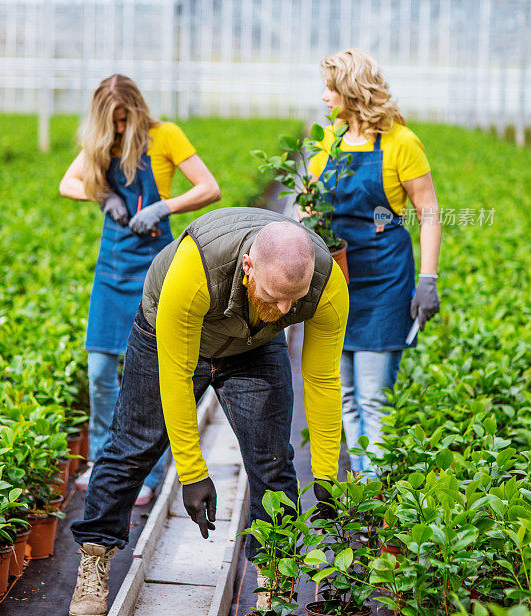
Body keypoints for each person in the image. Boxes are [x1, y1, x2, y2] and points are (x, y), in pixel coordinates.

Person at [68, 207, 348, 616]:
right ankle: (94, 557)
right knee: (132, 449)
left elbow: (322, 381)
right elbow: (177, 376)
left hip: (254, 345)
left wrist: (325, 473)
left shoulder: (326, 287)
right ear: (249, 265)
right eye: (274, 295)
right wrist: (192, 473)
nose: (286, 310)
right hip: (172, 335)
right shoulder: (196, 269)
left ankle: (276, 573)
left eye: (295, 300)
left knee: (272, 461)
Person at [59, 74, 221, 505]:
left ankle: (148, 471)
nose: (117, 129)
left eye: (123, 119)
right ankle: (102, 459)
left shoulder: (165, 136)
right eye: (110, 121)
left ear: (136, 110)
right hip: (112, 266)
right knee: (99, 370)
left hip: (156, 263)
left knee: (148, 373)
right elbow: (67, 183)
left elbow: (209, 187)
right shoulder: (101, 142)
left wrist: (162, 207)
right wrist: (103, 197)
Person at [310, 48, 441, 476]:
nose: (324, 97)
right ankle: (367, 492)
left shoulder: (402, 143)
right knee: (345, 394)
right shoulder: (328, 140)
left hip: (384, 279)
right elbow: (308, 203)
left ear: (351, 90)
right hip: (340, 278)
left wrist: (428, 280)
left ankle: (375, 499)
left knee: (372, 396)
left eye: (331, 88)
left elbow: (429, 213)